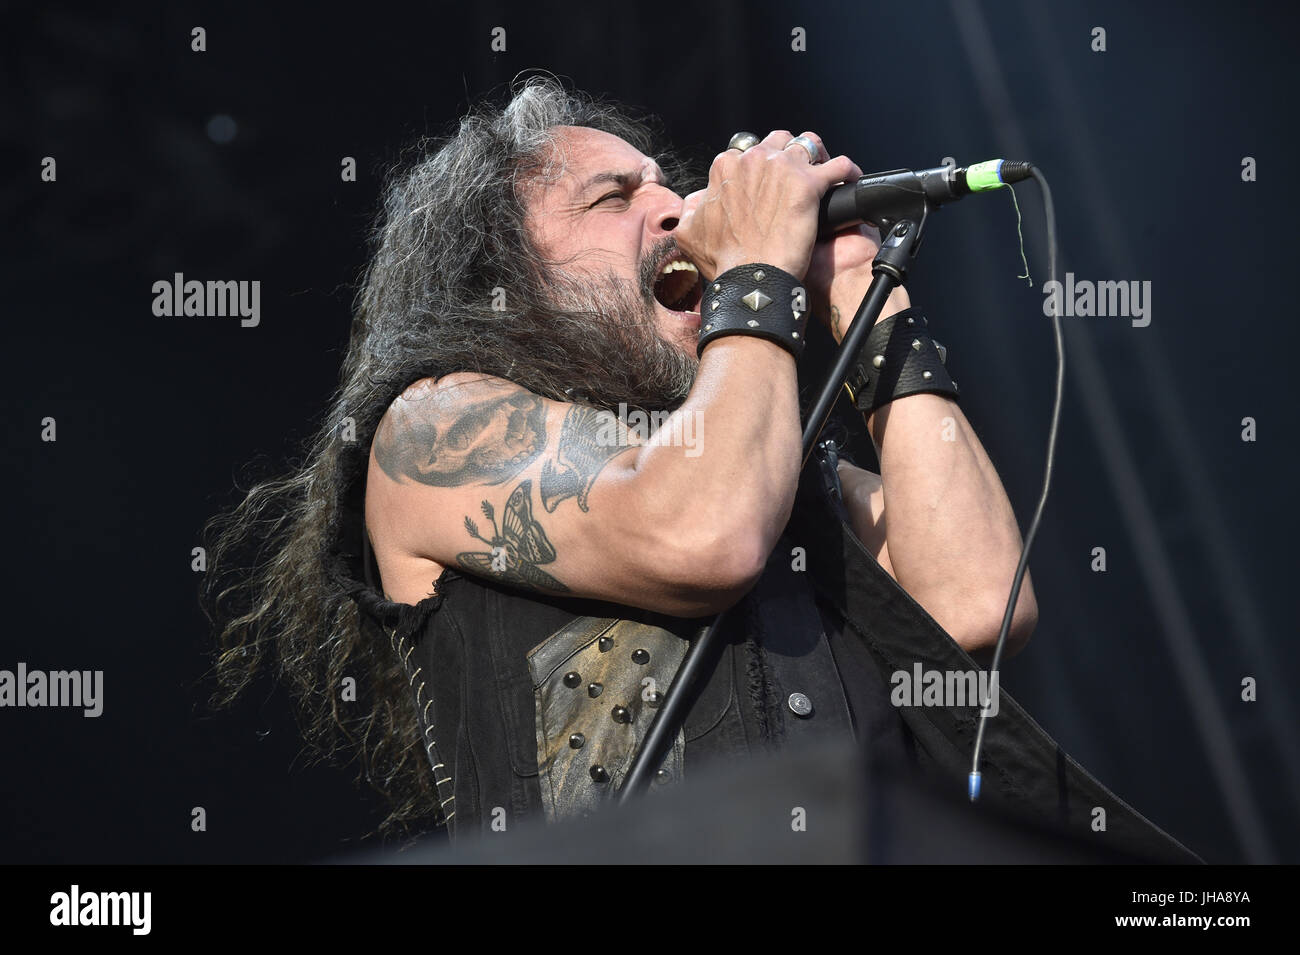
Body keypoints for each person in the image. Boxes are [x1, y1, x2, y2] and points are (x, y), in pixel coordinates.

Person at [202, 77, 1194, 861]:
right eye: (614, 197)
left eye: (672, 189)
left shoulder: (769, 470)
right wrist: (758, 271)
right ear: (500, 275)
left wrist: (865, 301)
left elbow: (978, 601)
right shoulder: (434, 427)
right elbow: (700, 532)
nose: (676, 213)